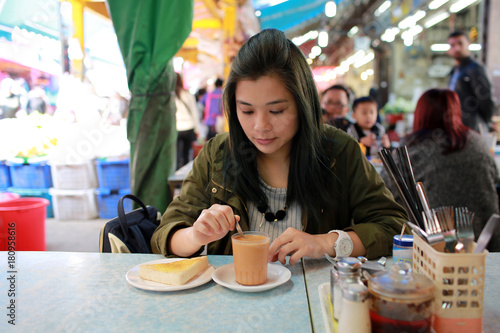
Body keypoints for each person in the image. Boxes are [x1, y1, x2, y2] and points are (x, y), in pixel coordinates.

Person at [151, 29, 407, 264]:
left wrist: (327, 242)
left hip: (316, 305)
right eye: (247, 110)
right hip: (233, 306)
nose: (261, 126)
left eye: (276, 110)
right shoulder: (219, 154)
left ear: (303, 104)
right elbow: (164, 234)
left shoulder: (339, 151)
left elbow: (394, 226)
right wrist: (196, 235)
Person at [380, 89, 500, 252]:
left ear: (420, 114)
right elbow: (495, 179)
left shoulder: (414, 148)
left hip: (433, 247)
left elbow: (384, 188)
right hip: (488, 244)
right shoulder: (478, 143)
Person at [448, 31, 495, 133]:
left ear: (468, 44)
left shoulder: (475, 69)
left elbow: (486, 100)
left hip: (473, 129)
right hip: (458, 127)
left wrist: (487, 123)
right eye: (452, 45)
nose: (457, 48)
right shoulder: (454, 71)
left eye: (460, 43)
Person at [174, 73, 200, 169]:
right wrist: (197, 129)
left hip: (176, 129)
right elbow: (194, 112)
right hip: (189, 127)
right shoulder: (188, 94)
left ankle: (178, 181)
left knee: (177, 157)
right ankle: (186, 180)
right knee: (186, 156)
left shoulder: (170, 96)